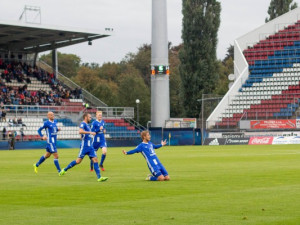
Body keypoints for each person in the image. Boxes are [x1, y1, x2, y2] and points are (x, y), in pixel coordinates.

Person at [59, 113, 108, 182]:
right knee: (78, 161)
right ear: (85, 117)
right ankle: (64, 169)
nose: (90, 118)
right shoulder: (83, 124)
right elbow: (80, 131)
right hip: (84, 146)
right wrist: (90, 133)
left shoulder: (87, 125)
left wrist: (94, 132)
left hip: (90, 146)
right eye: (89, 117)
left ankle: (99, 177)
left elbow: (87, 133)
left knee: (95, 160)